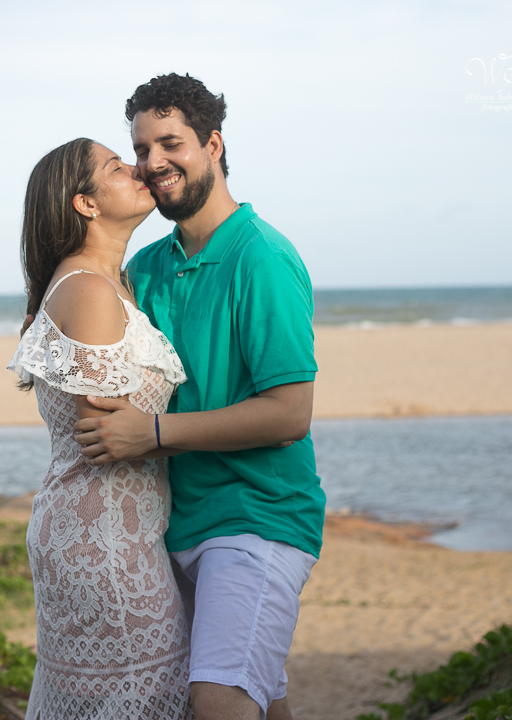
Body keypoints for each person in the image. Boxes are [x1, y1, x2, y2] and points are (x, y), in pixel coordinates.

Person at [73, 74, 326, 720]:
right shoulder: (150, 267)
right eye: (141, 148)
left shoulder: (262, 258)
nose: (152, 162)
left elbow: (289, 414)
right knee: (257, 702)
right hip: (171, 524)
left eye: (170, 142)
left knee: (215, 702)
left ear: (213, 145)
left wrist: (153, 434)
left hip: (256, 518)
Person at [8, 138, 194, 719]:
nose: (139, 169)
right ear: (84, 204)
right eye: (118, 167)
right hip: (104, 542)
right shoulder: (88, 289)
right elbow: (110, 430)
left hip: (118, 532)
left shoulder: (111, 284)